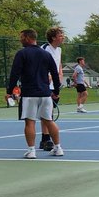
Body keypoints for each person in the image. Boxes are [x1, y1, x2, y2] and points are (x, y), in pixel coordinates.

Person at [6, 29, 64, 158]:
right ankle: (58, 148)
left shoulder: (22, 54)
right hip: (45, 94)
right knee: (49, 120)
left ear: (27, 38)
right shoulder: (46, 54)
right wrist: (56, 92)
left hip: (29, 94)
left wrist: (9, 92)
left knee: (29, 122)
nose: (20, 39)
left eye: (21, 37)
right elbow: (55, 74)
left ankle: (31, 151)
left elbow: (14, 74)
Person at [39, 26, 64, 151]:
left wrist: (60, 76)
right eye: (60, 35)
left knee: (50, 112)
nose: (62, 37)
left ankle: (45, 138)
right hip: (44, 85)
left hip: (55, 85)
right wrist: (47, 76)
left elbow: (58, 65)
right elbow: (39, 65)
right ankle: (46, 138)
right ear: (53, 37)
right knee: (46, 113)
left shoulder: (59, 50)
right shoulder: (44, 49)